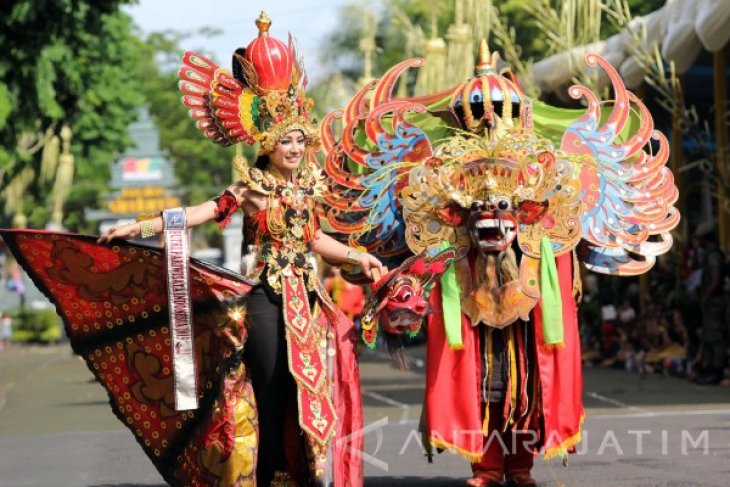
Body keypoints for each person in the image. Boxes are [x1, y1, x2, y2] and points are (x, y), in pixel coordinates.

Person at [2, 12, 384, 487]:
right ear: (266, 143)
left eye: (300, 140)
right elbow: (199, 213)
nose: (295, 148)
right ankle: (266, 479)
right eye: (285, 141)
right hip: (265, 302)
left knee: (304, 396)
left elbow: (316, 240)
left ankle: (303, 476)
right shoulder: (250, 189)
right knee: (267, 396)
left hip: (307, 304)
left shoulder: (309, 187)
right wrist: (139, 224)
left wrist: (356, 256)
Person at [321, 40, 678, 487]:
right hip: (470, 291)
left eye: (497, 107)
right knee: (482, 381)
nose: (489, 116)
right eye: (481, 109)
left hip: (529, 290)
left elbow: (566, 228)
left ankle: (521, 465)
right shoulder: (438, 170)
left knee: (529, 381)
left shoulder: (550, 169)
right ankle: (487, 464)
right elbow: (423, 233)